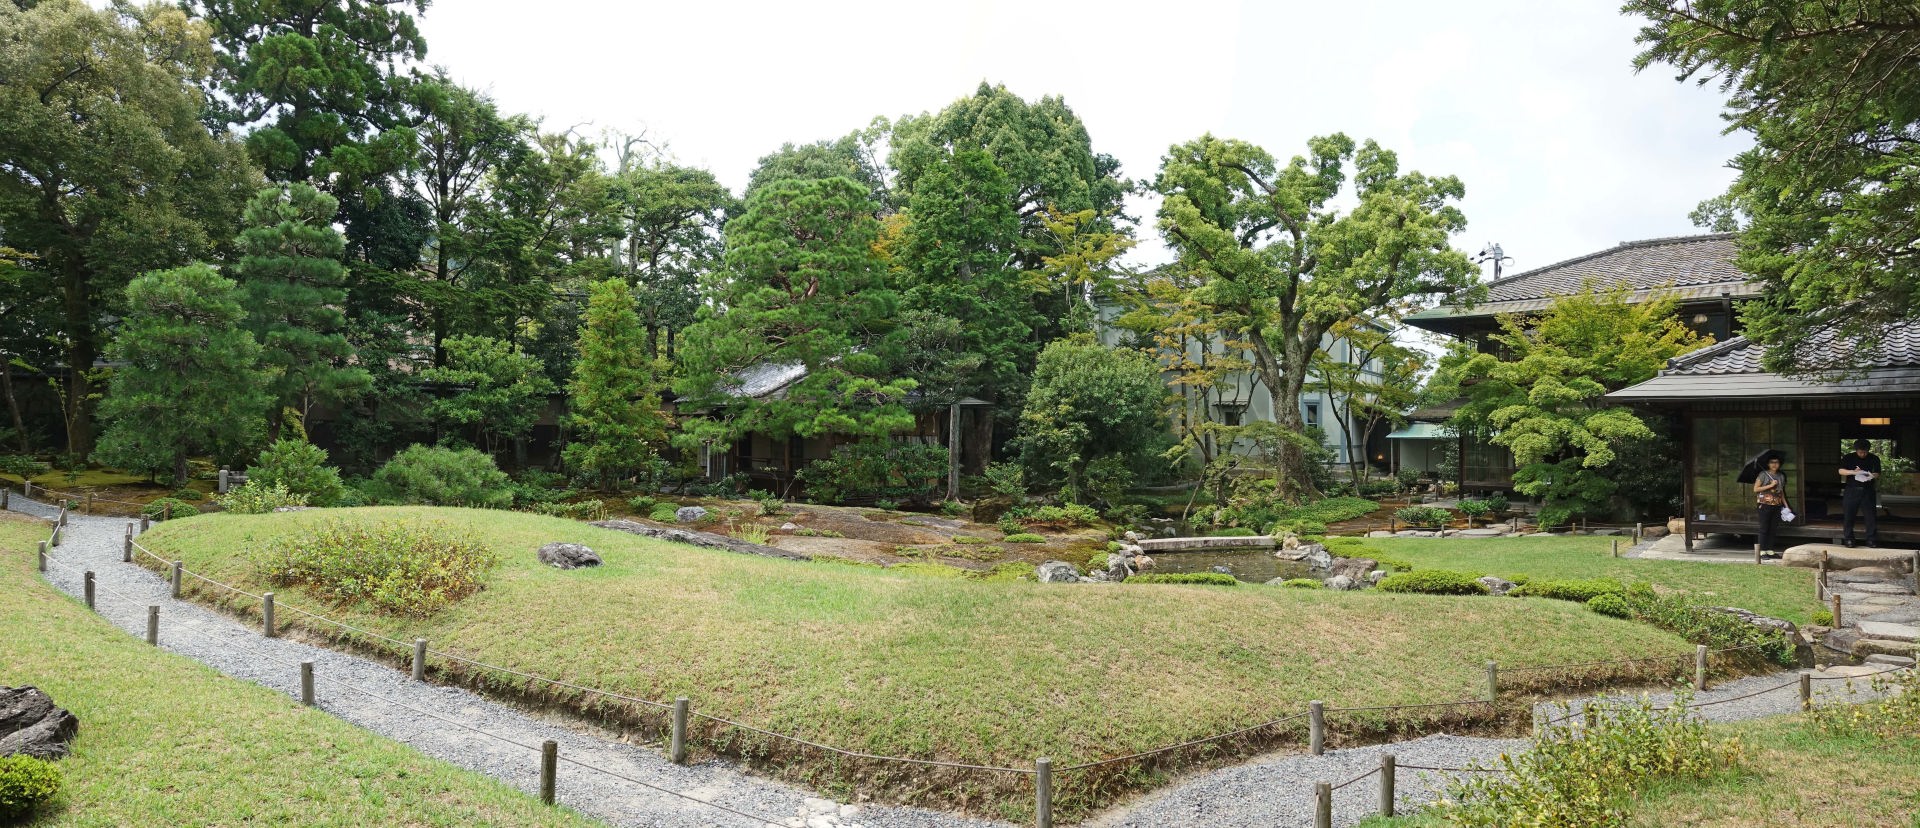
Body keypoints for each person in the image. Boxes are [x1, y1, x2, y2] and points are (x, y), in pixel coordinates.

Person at [1838, 438, 1882, 548]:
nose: (1863, 454)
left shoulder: (1874, 458)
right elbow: (1841, 471)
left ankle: (1871, 540)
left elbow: (1877, 473)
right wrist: (1853, 472)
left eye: (1865, 452)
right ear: (1856, 450)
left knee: (1870, 516)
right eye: (1860, 452)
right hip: (1852, 489)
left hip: (1868, 490)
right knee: (1849, 515)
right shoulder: (1849, 457)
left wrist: (1871, 475)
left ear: (1868, 450)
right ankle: (1849, 539)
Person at [1754, 455, 1788, 554]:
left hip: (1777, 505)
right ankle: (1762, 551)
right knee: (1764, 528)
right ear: (1768, 464)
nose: (1774, 464)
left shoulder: (1781, 476)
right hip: (1764, 504)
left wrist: (1786, 505)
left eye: (1776, 462)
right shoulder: (1763, 474)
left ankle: (1769, 550)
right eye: (1772, 462)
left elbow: (1781, 492)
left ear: (1779, 464)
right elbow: (1756, 489)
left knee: (1773, 528)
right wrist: (1770, 485)